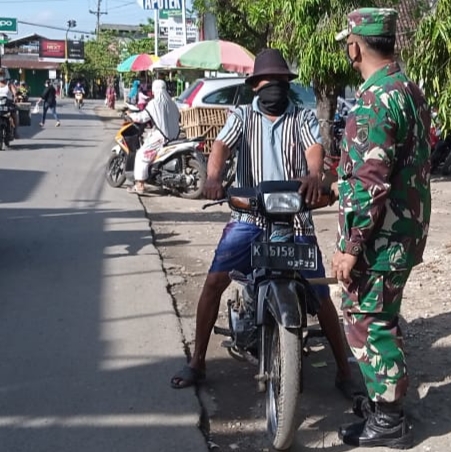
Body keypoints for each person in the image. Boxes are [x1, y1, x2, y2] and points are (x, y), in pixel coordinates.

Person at [169, 48, 355, 399]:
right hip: (249, 215)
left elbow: (314, 149)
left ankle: (345, 371)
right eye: (269, 82)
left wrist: (314, 175)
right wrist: (213, 176)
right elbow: (222, 146)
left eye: (281, 82)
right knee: (214, 282)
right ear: (255, 85)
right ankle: (197, 361)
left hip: (295, 219)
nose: (276, 87)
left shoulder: (301, 117)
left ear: (287, 84)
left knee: (320, 293)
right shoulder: (241, 116)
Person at [333, 8, 431, 448]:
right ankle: (381, 405)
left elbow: (370, 184)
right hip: (405, 230)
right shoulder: (409, 90)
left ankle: (389, 420)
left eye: (347, 45)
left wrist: (351, 247)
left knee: (368, 320)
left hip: (380, 236)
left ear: (355, 46)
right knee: (382, 315)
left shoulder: (373, 101)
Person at [126, 79, 180, 194]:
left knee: (141, 154)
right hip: (174, 137)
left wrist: (131, 116)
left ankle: (139, 184)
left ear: (155, 90)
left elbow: (143, 118)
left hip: (161, 136)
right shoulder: (172, 104)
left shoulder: (155, 103)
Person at [0, 70, 19, 139]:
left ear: (4, 75)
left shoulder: (9, 84)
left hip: (8, 104)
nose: (1, 76)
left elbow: (14, 91)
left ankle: (15, 131)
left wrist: (15, 96)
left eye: (2, 74)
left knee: (14, 115)